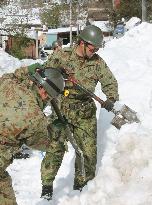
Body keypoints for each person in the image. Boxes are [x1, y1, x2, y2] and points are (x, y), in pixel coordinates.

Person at [40, 25, 119, 200]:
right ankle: (46, 185)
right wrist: (56, 72)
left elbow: (110, 82)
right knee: (55, 148)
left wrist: (111, 98)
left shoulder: (97, 62)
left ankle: (83, 186)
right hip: (61, 108)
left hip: (84, 112)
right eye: (93, 48)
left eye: (97, 49)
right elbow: (43, 74)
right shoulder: (62, 55)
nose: (95, 51)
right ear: (82, 43)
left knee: (88, 152)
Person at [0, 66, 64, 205]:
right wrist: (54, 127)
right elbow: (43, 143)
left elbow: (12, 75)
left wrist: (28, 69)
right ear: (44, 92)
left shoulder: (9, 83)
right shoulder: (35, 118)